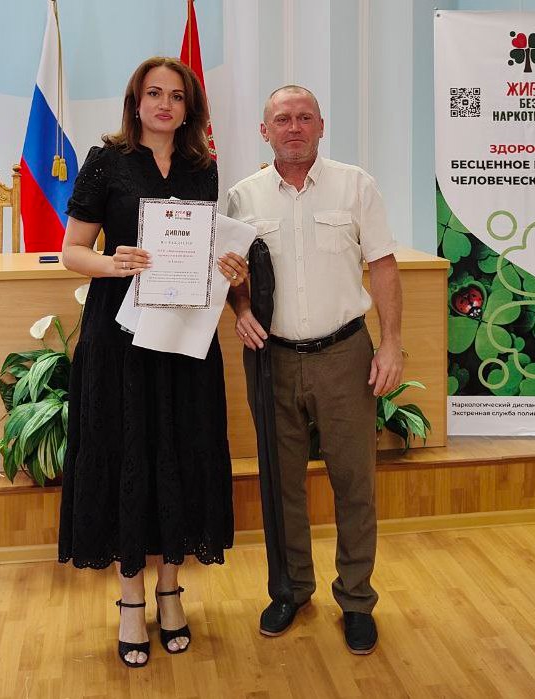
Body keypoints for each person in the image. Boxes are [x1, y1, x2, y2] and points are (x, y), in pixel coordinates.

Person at [58, 56, 249, 669]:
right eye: (154, 93)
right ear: (136, 102)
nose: (165, 104)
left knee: (181, 451)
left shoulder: (202, 167)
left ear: (189, 108)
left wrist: (227, 268)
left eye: (176, 96)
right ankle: (132, 598)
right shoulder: (106, 160)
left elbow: (205, 249)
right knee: (127, 454)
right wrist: (113, 263)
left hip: (185, 336)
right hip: (120, 335)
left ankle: (171, 591)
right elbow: (70, 251)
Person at [227, 85, 403, 655]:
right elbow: (232, 274)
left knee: (355, 483)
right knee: (281, 485)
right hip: (272, 359)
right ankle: (291, 590)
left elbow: (383, 265)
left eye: (305, 118)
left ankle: (357, 599)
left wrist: (392, 344)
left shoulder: (356, 186)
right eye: (283, 119)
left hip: (345, 355)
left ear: (321, 126)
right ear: (265, 131)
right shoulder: (243, 196)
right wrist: (241, 310)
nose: (294, 128)